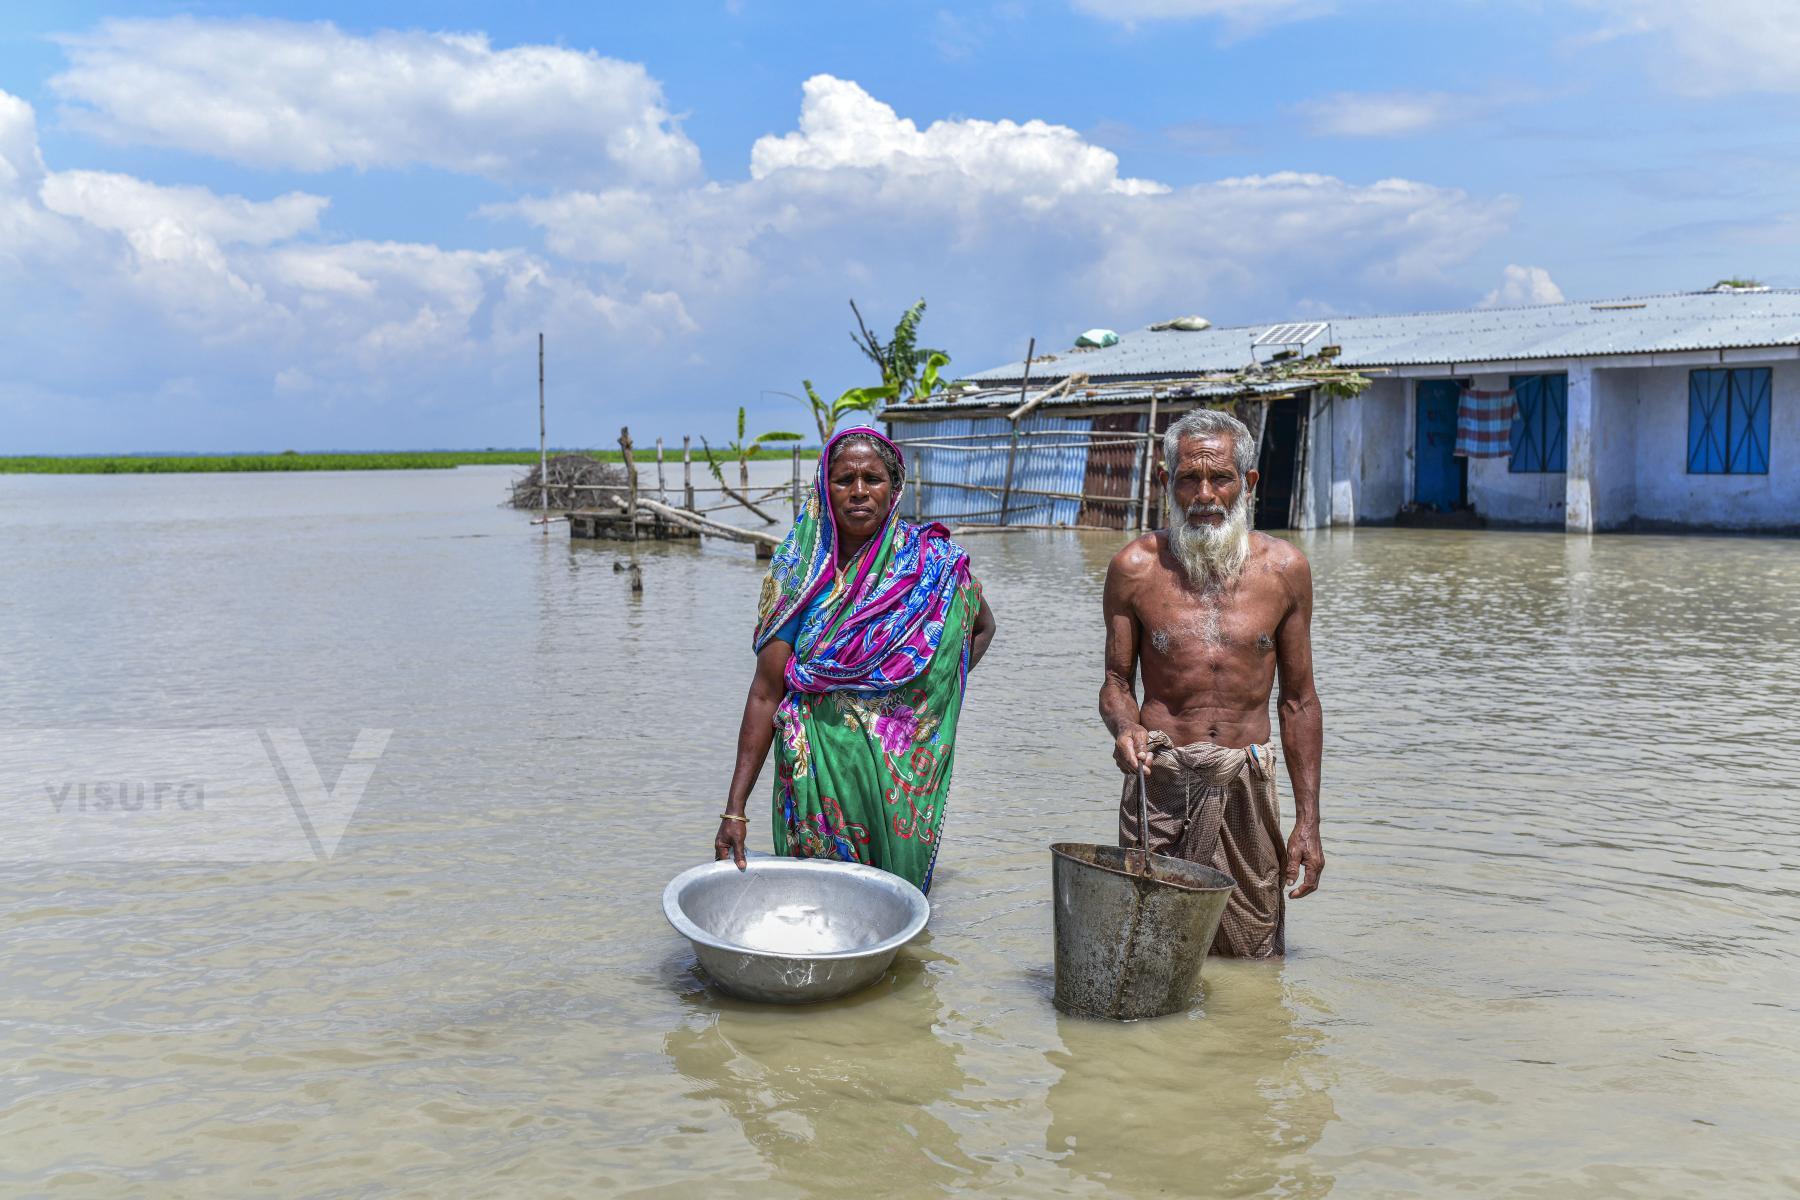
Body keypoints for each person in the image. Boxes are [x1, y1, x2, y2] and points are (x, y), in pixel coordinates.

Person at [716, 426, 996, 894]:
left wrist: (923, 699)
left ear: (895, 488)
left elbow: (980, 626)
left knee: (889, 904)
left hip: (895, 771)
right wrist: (734, 809)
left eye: (873, 478)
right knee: (812, 901)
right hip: (813, 770)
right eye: (844, 480)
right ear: (825, 488)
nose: (860, 491)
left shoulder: (933, 563)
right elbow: (766, 693)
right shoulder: (799, 573)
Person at [1098, 407, 1324, 958]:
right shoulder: (1135, 568)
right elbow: (1114, 683)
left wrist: (1308, 824)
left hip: (1245, 783)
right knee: (1149, 951)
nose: (1204, 494)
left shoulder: (1285, 570)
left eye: (1219, 478)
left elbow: (1298, 701)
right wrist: (1125, 727)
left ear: (1246, 483)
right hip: (1161, 784)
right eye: (1188, 478)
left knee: (1252, 956)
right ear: (1164, 482)